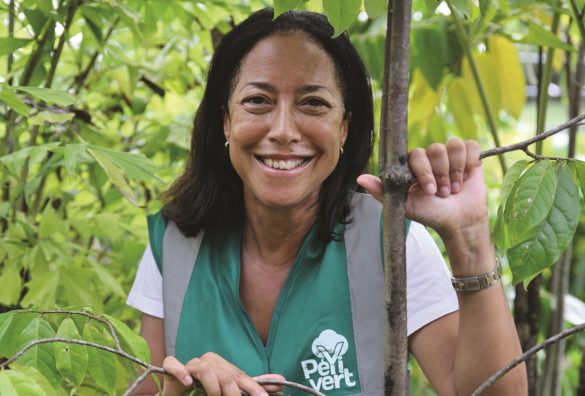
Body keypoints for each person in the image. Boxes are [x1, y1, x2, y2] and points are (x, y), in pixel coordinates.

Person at [127, 8, 528, 396]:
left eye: (313, 103)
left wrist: (470, 237)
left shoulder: (388, 241)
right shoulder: (175, 243)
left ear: (344, 129)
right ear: (226, 121)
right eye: (257, 101)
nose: (283, 130)